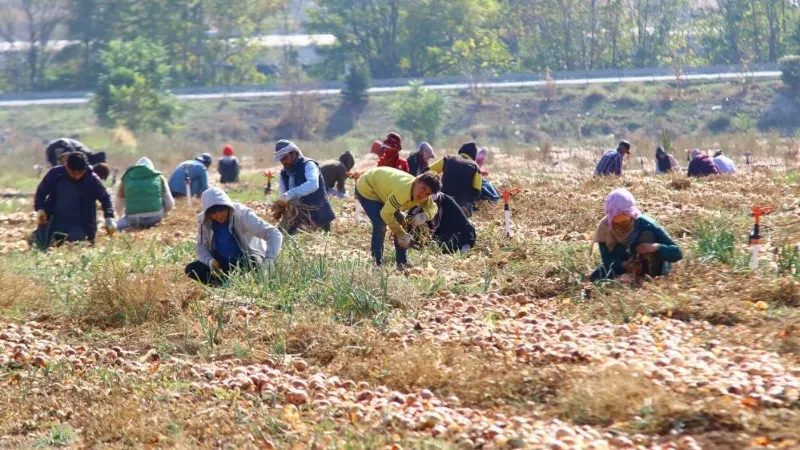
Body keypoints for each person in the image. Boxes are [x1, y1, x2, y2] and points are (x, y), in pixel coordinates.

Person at [185, 187, 283, 286]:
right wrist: (210, 261)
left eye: (222, 210)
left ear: (228, 206)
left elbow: (273, 233)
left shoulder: (242, 214)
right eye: (213, 213)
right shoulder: (205, 221)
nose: (219, 215)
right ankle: (223, 284)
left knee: (253, 261)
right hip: (222, 264)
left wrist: (270, 259)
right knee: (192, 269)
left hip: (245, 259)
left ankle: (235, 284)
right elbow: (201, 247)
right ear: (208, 213)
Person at [355, 167, 441, 269]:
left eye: (428, 193)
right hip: (368, 187)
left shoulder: (421, 194)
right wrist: (401, 234)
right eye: (423, 189)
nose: (423, 194)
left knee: (401, 222)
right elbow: (386, 214)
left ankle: (402, 263)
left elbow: (432, 207)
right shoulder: (403, 191)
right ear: (417, 180)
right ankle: (377, 264)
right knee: (380, 224)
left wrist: (425, 216)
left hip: (384, 190)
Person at [590, 188, 682, 282]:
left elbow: (677, 253)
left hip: (654, 271)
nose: (622, 225)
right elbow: (607, 260)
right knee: (596, 276)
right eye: (617, 222)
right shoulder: (605, 228)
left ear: (632, 214)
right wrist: (625, 264)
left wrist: (654, 247)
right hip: (623, 269)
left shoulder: (646, 224)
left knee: (647, 235)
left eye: (625, 220)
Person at [33, 152, 116, 248]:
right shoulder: (56, 174)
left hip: (81, 226)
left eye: (80, 173)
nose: (76, 176)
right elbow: (41, 192)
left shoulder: (92, 180)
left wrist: (109, 217)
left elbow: (105, 198)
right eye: (73, 172)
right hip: (54, 221)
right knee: (38, 243)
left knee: (75, 244)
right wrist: (40, 208)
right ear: (67, 167)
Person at [275, 139, 336, 233]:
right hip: (297, 215)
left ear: (294, 153)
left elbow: (313, 184)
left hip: (318, 213)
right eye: (281, 159)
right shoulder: (284, 173)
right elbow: (284, 194)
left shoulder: (308, 164)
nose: (283, 162)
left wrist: (291, 193)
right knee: (283, 234)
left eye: (285, 158)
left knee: (325, 242)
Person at [116, 157, 175, 231]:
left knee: (118, 224)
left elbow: (117, 207)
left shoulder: (126, 178)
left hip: (133, 219)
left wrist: (122, 215)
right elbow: (170, 204)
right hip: (156, 217)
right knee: (167, 216)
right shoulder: (159, 177)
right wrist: (163, 213)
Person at [410, 193, 477, 254]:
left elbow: (467, 228)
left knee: (444, 241)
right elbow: (407, 228)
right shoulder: (416, 202)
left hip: (443, 237)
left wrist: (466, 246)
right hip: (425, 239)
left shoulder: (446, 201)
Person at [428, 142, 483, 215]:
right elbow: (477, 191)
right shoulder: (476, 167)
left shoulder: (448, 159)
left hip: (444, 196)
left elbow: (428, 170)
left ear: (460, 151)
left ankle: (439, 208)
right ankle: (463, 209)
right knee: (467, 204)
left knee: (438, 202)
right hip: (462, 200)